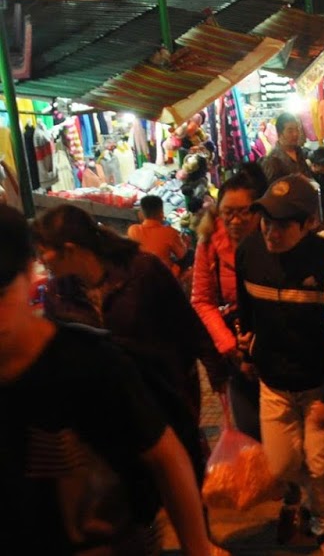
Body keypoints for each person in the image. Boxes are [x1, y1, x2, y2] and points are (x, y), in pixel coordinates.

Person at [0, 207, 215, 556]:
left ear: (27, 271)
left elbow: (166, 457)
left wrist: (198, 546)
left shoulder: (90, 362)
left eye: (0, 293)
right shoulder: (60, 293)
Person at [34, 203, 222, 485]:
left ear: (70, 249)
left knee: (185, 481)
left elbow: (186, 324)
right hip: (111, 415)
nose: (42, 259)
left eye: (44, 251)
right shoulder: (57, 295)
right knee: (138, 494)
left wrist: (216, 373)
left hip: (164, 398)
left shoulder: (142, 271)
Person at [234, 176, 324, 555]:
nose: (271, 231)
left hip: (317, 382)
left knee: (321, 462)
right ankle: (308, 498)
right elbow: (246, 306)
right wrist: (248, 345)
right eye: (266, 221)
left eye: (283, 224)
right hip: (273, 380)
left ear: (309, 224)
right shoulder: (249, 252)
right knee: (283, 466)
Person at [192, 168, 266, 439]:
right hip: (236, 354)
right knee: (250, 430)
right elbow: (202, 299)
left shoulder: (273, 237)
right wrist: (229, 345)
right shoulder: (209, 242)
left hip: (276, 353)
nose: (235, 221)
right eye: (227, 213)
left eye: (244, 212)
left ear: (259, 209)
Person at [128, 194, 187, 277]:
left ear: (141, 214)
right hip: (163, 276)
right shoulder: (170, 232)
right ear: (161, 213)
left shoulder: (133, 230)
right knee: (189, 256)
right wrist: (184, 242)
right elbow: (182, 255)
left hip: (140, 274)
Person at [260, 113, 316, 199]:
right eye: (290, 131)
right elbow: (270, 192)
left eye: (297, 129)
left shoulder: (299, 151)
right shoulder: (273, 159)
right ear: (279, 134)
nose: (295, 134)